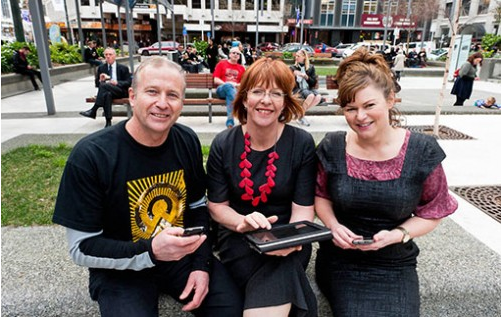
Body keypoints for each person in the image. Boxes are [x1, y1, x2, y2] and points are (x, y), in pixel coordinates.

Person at [53, 57, 243, 317]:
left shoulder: (186, 140)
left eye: (172, 95)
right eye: (152, 92)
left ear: (181, 103)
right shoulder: (92, 156)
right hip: (121, 269)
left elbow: (198, 207)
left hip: (182, 256)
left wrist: (202, 265)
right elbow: (82, 247)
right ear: (132, 96)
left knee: (233, 308)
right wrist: (151, 251)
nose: (162, 103)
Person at [314, 49, 458, 317]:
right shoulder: (333, 145)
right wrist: (333, 226)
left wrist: (399, 234)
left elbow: (434, 209)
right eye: (350, 108)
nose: (360, 116)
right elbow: (321, 195)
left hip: (395, 263)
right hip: (341, 261)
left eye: (369, 105)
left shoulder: (422, 150)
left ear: (390, 100)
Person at [206, 57, 318, 317]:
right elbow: (217, 206)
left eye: (275, 93)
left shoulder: (301, 142)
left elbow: (303, 209)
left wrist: (293, 240)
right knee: (285, 271)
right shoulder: (223, 144)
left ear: (284, 103)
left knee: (286, 260)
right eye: (257, 91)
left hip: (290, 237)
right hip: (238, 235)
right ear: (244, 99)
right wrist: (242, 222)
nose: (266, 100)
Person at [79, 47, 131, 128]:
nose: (108, 56)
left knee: (104, 86)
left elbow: (128, 82)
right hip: (107, 90)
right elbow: (97, 84)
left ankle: (94, 109)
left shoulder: (123, 68)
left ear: (115, 56)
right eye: (106, 55)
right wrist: (100, 80)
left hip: (120, 91)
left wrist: (117, 82)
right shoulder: (101, 68)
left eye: (110, 54)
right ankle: (108, 122)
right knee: (107, 94)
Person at [213, 46, 246, 128]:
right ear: (229, 54)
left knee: (231, 95)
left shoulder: (241, 68)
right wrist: (227, 84)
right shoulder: (221, 64)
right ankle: (239, 114)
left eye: (238, 53)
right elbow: (216, 80)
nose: (235, 55)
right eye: (233, 53)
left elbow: (244, 83)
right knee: (229, 87)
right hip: (221, 89)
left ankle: (230, 123)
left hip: (234, 90)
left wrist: (236, 85)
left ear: (239, 56)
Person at [290, 49, 322, 126]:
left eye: (298, 56)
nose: (296, 58)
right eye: (296, 56)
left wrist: (306, 77)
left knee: (318, 97)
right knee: (310, 96)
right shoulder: (293, 68)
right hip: (297, 89)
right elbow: (288, 82)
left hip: (308, 89)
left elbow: (313, 83)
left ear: (304, 57)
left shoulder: (310, 68)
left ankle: (299, 113)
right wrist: (293, 75)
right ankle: (301, 116)